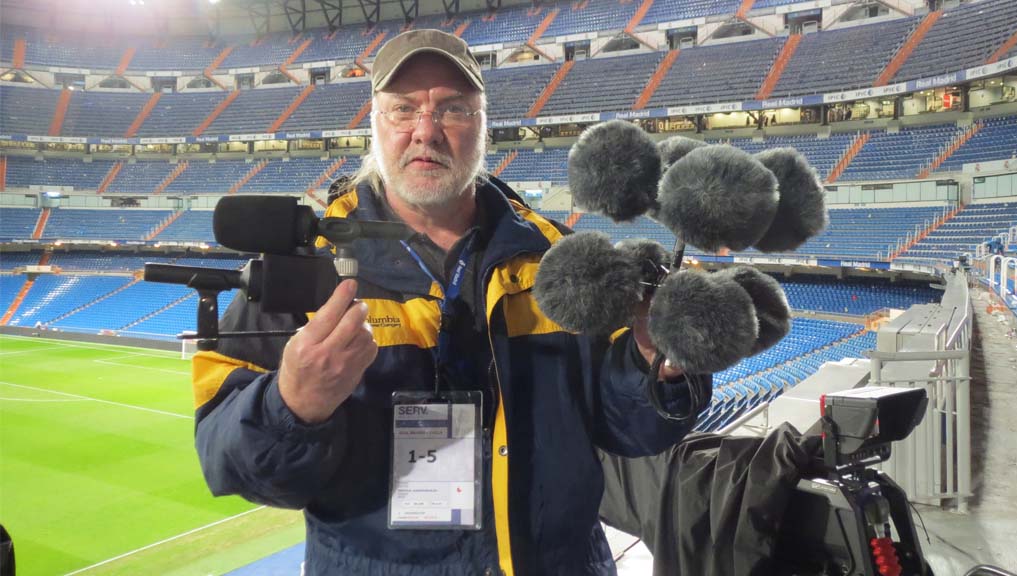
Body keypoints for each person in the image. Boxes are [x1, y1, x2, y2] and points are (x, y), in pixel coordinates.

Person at [192, 29, 707, 575]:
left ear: (483, 127)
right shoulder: (303, 266)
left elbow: (631, 429)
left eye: (454, 110)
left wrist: (658, 366)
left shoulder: (558, 258)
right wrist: (292, 404)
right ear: (375, 124)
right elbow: (228, 461)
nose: (426, 131)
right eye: (403, 109)